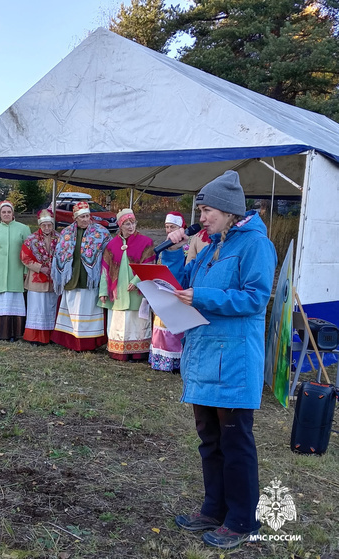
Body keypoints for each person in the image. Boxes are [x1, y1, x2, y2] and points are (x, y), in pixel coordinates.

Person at [165, 171, 277, 549]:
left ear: (229, 211)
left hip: (233, 360)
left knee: (235, 442)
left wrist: (202, 298)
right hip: (203, 355)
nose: (202, 215)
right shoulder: (211, 244)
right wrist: (173, 258)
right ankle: (214, 508)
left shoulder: (254, 245)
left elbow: (255, 299)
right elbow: (185, 286)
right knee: (209, 439)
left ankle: (243, 519)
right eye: (201, 208)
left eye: (208, 208)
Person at [50, 201, 110, 351]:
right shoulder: (66, 233)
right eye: (82, 216)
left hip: (90, 279)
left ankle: (88, 343)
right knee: (71, 307)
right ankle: (71, 342)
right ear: (75, 217)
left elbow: (108, 255)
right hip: (71, 277)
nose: (85, 219)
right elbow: (59, 254)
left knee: (89, 309)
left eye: (87, 216)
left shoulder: (101, 232)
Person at [99, 208, 155, 361]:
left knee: (138, 321)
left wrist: (136, 281)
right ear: (120, 226)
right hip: (118, 291)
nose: (131, 227)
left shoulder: (146, 242)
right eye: (127, 224)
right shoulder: (112, 245)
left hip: (138, 291)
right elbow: (106, 269)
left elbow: (149, 264)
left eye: (133, 223)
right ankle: (119, 352)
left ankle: (138, 353)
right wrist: (103, 291)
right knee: (120, 321)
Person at [0, 201, 31, 340]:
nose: (7, 214)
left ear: (13, 213)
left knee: (15, 302)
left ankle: (15, 332)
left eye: (9, 212)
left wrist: (26, 271)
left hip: (17, 272)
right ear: (0, 214)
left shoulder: (23, 229)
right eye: (4, 212)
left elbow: (29, 252)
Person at [149, 212, 187, 372]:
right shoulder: (163, 245)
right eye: (167, 227)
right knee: (161, 325)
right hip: (163, 289)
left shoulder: (187, 247)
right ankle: (160, 359)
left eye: (173, 227)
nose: (169, 230)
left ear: (181, 228)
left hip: (179, 289)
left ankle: (176, 360)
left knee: (175, 326)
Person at [21, 209, 60, 345]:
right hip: (36, 280)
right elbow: (25, 258)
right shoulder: (31, 240)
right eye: (44, 225)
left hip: (53, 279)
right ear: (39, 225)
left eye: (49, 225)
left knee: (51, 306)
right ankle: (35, 337)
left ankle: (51, 335)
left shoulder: (60, 238)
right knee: (37, 307)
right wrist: (40, 268)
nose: (47, 228)